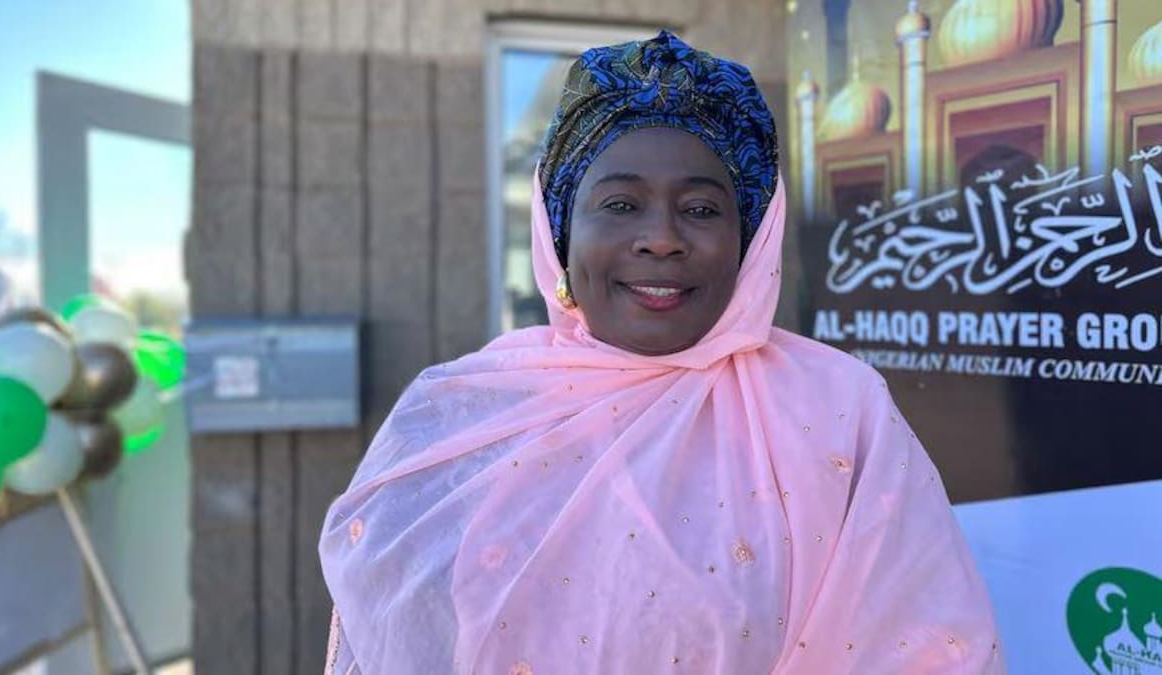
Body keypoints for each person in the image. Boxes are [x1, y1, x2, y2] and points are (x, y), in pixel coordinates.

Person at [320, 31, 1004, 674]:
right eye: (620, 204)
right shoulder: (457, 418)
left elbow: (927, 648)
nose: (661, 239)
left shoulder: (839, 411)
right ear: (560, 231)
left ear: (752, 239)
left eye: (702, 210)